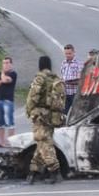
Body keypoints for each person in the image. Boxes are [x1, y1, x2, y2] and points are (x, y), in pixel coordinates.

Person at [26, 56, 66, 185]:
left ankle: (55, 171)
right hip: (52, 117)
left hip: (40, 116)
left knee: (44, 143)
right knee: (42, 143)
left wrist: (29, 111)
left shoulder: (40, 78)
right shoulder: (55, 79)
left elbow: (33, 97)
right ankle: (34, 172)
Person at [0, 57, 17, 147]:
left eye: (7, 63)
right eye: (4, 63)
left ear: (11, 64)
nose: (5, 65)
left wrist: (2, 76)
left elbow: (6, 80)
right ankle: (2, 142)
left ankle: (11, 141)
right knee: (0, 123)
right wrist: (2, 79)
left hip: (8, 101)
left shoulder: (13, 74)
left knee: (10, 122)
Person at [60, 44, 83, 115]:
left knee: (74, 114)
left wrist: (68, 82)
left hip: (74, 94)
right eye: (66, 53)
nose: (68, 55)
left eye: (69, 53)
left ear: (74, 53)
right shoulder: (63, 63)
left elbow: (81, 80)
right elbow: (62, 76)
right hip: (65, 94)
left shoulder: (79, 64)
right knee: (64, 114)